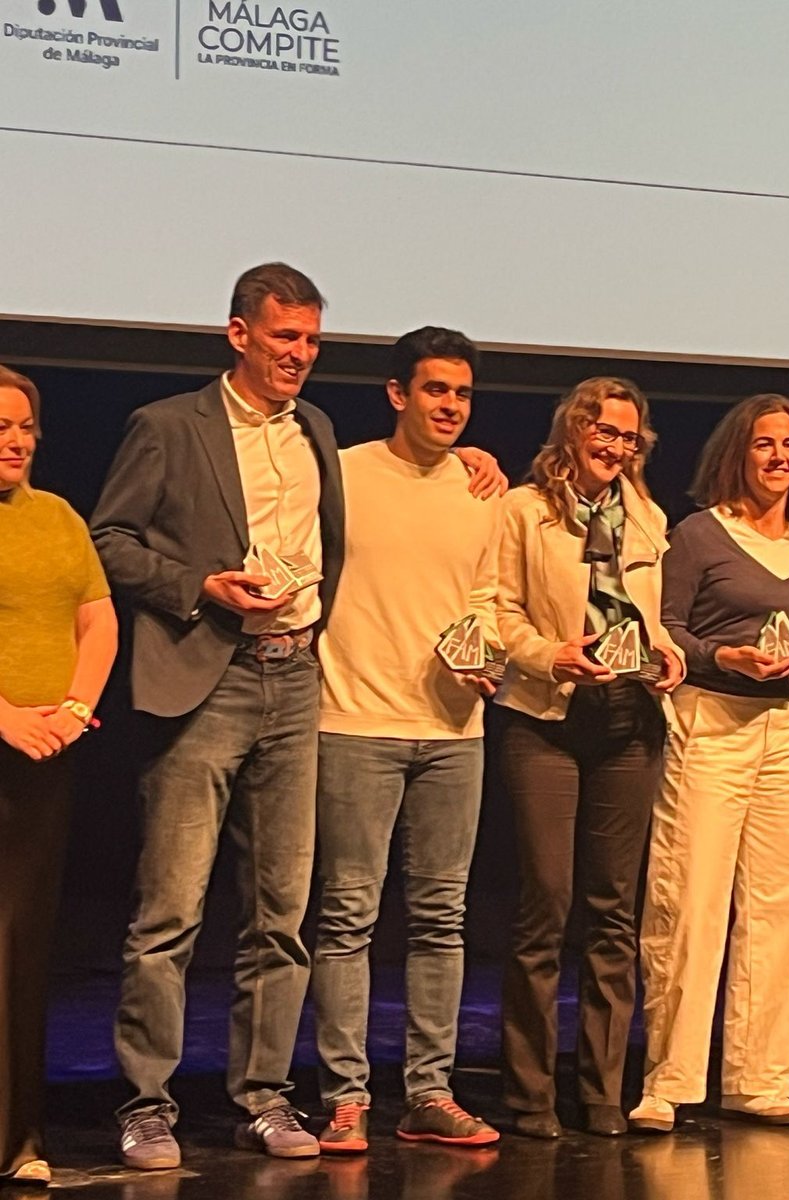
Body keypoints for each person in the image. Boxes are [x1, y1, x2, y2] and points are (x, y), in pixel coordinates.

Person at [90, 264, 503, 1168]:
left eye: (312, 340)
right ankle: (147, 1104)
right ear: (239, 334)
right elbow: (109, 540)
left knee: (280, 914)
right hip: (207, 677)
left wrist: (474, 458)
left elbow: (399, 500)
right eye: (285, 337)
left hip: (295, 680)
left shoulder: (314, 429)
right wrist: (197, 586)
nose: (301, 355)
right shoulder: (169, 426)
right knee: (170, 912)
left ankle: (264, 1098)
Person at [310, 328, 503, 1154]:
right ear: (398, 394)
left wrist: (487, 654)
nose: (450, 407)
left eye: (461, 394)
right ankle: (344, 1097)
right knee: (347, 917)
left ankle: (430, 1092)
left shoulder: (481, 488)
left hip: (454, 732)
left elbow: (489, 595)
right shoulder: (343, 473)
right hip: (354, 721)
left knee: (441, 919)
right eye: (435, 390)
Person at [629, 393, 789, 1133]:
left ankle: (761, 1078)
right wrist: (723, 656)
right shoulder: (699, 534)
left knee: (786, 906)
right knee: (690, 902)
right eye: (763, 444)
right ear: (736, 455)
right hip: (712, 721)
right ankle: (670, 1081)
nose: (778, 457)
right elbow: (667, 627)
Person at [496, 377, 683, 1139]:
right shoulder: (524, 509)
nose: (616, 447)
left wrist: (666, 654)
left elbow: (649, 616)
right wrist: (548, 656)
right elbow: (495, 608)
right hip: (546, 718)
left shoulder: (647, 516)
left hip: (628, 719)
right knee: (546, 901)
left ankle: (602, 1091)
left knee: (613, 911)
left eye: (629, 437)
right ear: (572, 431)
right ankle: (530, 1095)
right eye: (604, 432)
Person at [0, 366, 117, 1187]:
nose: (15, 440)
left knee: (21, 947)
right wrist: (4, 716)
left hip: (44, 756)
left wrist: (74, 711)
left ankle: (17, 1138)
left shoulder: (59, 517)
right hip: (7, 733)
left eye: (24, 426)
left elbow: (96, 618)